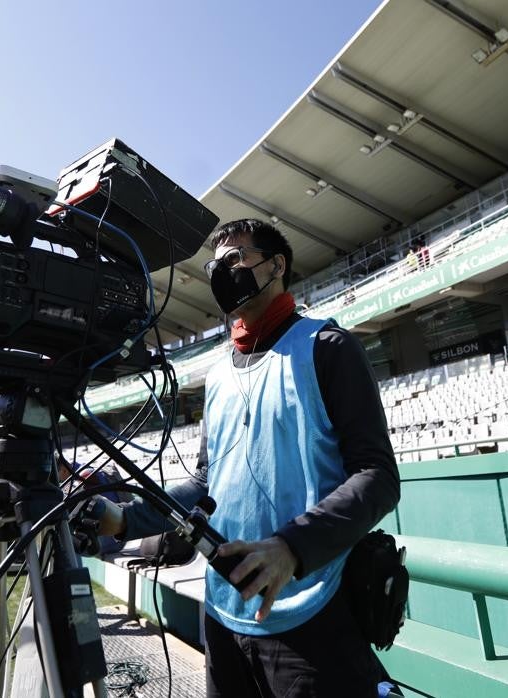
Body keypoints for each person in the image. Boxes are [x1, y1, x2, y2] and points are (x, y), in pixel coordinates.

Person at [89, 218, 400, 697]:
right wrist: (124, 520)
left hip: (313, 610)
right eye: (216, 264)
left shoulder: (328, 347)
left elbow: (377, 476)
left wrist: (291, 548)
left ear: (277, 265)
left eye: (236, 259)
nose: (222, 272)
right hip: (222, 614)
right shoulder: (216, 375)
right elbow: (206, 483)